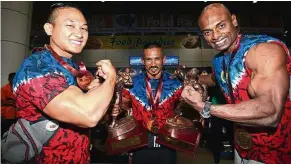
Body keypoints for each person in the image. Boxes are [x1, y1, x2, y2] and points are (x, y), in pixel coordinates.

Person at [181, 3, 291, 164]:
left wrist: (204, 107)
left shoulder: (263, 50)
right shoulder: (219, 60)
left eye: (221, 26)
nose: (215, 36)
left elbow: (271, 111)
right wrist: (191, 79)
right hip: (241, 148)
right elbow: (217, 79)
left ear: (234, 20)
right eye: (207, 32)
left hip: (277, 152)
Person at [11, 3, 116, 163]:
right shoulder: (37, 67)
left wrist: (100, 91)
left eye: (84, 28)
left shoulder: (75, 67)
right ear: (49, 29)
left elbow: (100, 115)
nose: (79, 33)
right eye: (70, 25)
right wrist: (110, 79)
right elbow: (88, 114)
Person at [114, 42, 183, 164]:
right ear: (143, 61)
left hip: (167, 143)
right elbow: (122, 105)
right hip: (140, 143)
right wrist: (117, 109)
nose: (153, 64)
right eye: (148, 60)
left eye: (157, 59)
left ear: (164, 59)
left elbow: (184, 108)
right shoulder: (131, 83)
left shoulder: (176, 83)